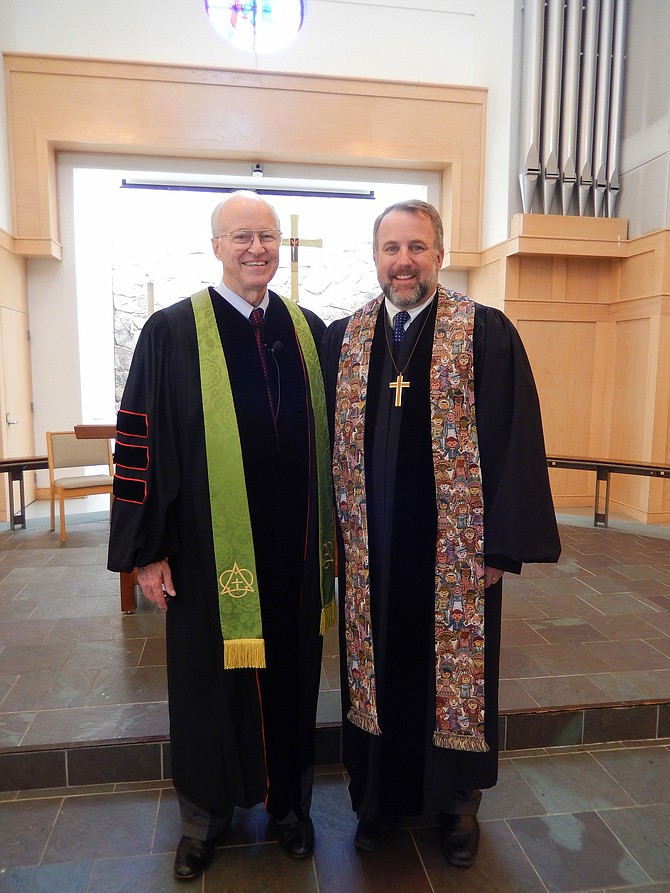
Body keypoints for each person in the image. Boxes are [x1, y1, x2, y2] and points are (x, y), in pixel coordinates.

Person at [321, 200, 561, 868]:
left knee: (453, 677)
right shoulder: (345, 338)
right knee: (376, 670)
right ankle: (376, 799)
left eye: (417, 247)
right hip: (371, 552)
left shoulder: (484, 332)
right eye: (392, 248)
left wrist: (499, 547)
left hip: (454, 554)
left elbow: (515, 439)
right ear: (376, 256)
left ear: (440, 253)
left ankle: (456, 805)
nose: (404, 261)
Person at [108, 191, 335, 881]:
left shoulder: (309, 330)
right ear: (216, 246)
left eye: (266, 235)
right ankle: (205, 817)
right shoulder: (173, 331)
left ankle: (292, 807)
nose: (256, 248)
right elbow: (138, 439)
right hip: (209, 557)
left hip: (294, 554)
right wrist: (146, 550)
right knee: (210, 685)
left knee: (295, 680)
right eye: (241, 236)